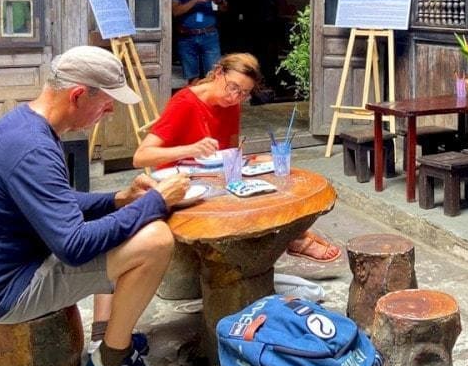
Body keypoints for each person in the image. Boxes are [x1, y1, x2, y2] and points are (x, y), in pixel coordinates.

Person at [0, 45, 190, 366]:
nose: (110, 111)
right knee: (155, 239)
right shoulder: (32, 148)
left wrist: (118, 199)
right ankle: (111, 363)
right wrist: (155, 202)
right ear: (78, 95)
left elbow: (57, 203)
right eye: (107, 102)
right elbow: (74, 245)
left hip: (6, 272)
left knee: (128, 223)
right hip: (9, 291)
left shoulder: (25, 126)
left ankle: (109, 334)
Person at [133, 52, 341, 262]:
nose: (235, 97)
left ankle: (293, 235)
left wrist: (251, 161)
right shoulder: (185, 103)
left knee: (275, 180)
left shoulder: (232, 105)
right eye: (232, 87)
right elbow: (141, 156)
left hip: (214, 175)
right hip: (180, 182)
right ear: (218, 73)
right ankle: (296, 238)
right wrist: (190, 149)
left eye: (244, 93)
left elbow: (231, 150)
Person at [172, 0, 228, 84]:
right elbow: (175, 11)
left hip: (209, 35)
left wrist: (219, 0)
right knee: (193, 78)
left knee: (214, 75)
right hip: (187, 37)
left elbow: (225, 8)